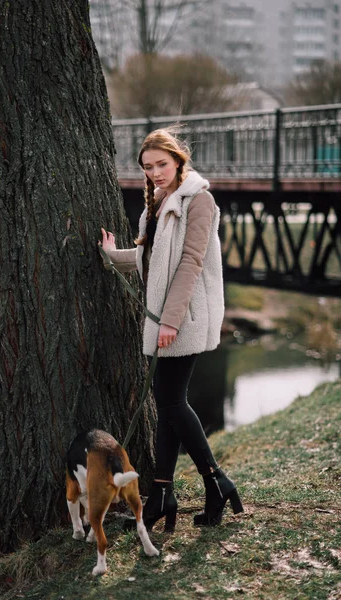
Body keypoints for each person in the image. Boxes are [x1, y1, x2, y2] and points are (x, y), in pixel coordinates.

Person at [99, 127, 243, 531]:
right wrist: (113, 256)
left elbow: (191, 262)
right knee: (167, 406)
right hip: (166, 318)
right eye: (148, 167)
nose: (156, 173)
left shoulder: (200, 200)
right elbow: (151, 263)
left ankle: (215, 480)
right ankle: (164, 492)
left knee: (172, 401)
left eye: (162, 164)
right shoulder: (157, 205)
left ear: (179, 160)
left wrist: (171, 321)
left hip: (185, 317)